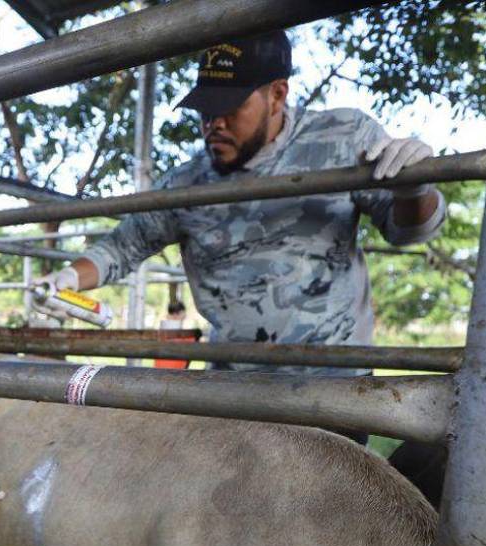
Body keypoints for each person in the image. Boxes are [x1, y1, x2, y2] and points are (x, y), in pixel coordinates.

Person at [33, 29, 446, 376]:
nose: (214, 124)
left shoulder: (343, 137)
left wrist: (414, 188)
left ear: (277, 95)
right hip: (233, 386)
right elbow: (122, 247)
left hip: (332, 383)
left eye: (230, 108)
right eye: (205, 109)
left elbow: (407, 231)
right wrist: (66, 279)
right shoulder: (187, 184)